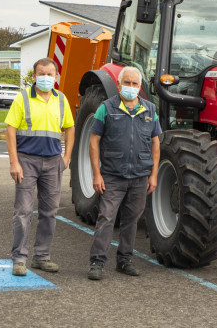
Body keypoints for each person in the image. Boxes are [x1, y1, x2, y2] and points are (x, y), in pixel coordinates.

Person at [87, 66, 161, 280]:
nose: (130, 87)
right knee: (106, 218)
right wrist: (96, 174)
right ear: (119, 85)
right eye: (126, 83)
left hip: (139, 177)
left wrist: (154, 174)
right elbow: (94, 142)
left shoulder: (150, 110)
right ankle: (97, 262)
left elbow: (155, 144)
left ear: (140, 87)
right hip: (112, 176)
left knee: (132, 220)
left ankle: (124, 260)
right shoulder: (106, 108)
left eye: (134, 84)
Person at [5, 57, 74, 276]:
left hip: (53, 162)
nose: (46, 78)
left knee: (49, 212)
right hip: (27, 161)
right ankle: (19, 259)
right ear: (34, 76)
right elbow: (10, 130)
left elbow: (70, 128)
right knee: (23, 211)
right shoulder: (22, 98)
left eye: (50, 74)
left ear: (56, 76)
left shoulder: (61, 99)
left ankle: (42, 257)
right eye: (41, 74)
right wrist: (14, 162)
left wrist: (67, 157)